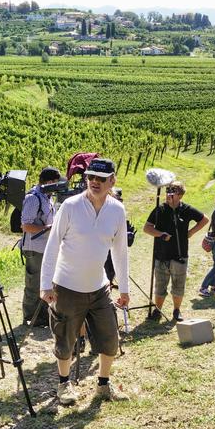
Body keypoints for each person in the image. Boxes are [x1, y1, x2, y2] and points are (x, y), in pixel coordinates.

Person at [40, 158, 130, 405]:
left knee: (110, 339)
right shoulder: (70, 206)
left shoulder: (117, 210)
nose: (95, 182)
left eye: (101, 179)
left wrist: (124, 288)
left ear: (112, 180)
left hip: (99, 288)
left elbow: (120, 252)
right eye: (91, 177)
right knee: (65, 340)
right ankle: (63, 385)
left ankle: (103, 385)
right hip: (67, 286)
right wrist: (46, 284)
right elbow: (53, 245)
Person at [143, 181, 208, 322]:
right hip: (161, 255)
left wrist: (190, 233)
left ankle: (176, 311)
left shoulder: (186, 209)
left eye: (172, 192)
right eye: (167, 191)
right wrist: (160, 234)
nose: (169, 195)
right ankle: (158, 310)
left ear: (180, 195)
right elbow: (147, 228)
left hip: (180, 255)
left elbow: (204, 219)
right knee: (160, 285)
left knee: (178, 285)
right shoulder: (159, 209)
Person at [21, 166, 61, 327]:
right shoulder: (33, 198)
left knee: (46, 282)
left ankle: (43, 316)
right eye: (55, 183)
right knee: (34, 283)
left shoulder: (47, 197)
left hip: (46, 247)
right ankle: (30, 317)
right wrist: (48, 229)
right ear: (48, 182)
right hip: (34, 248)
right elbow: (26, 226)